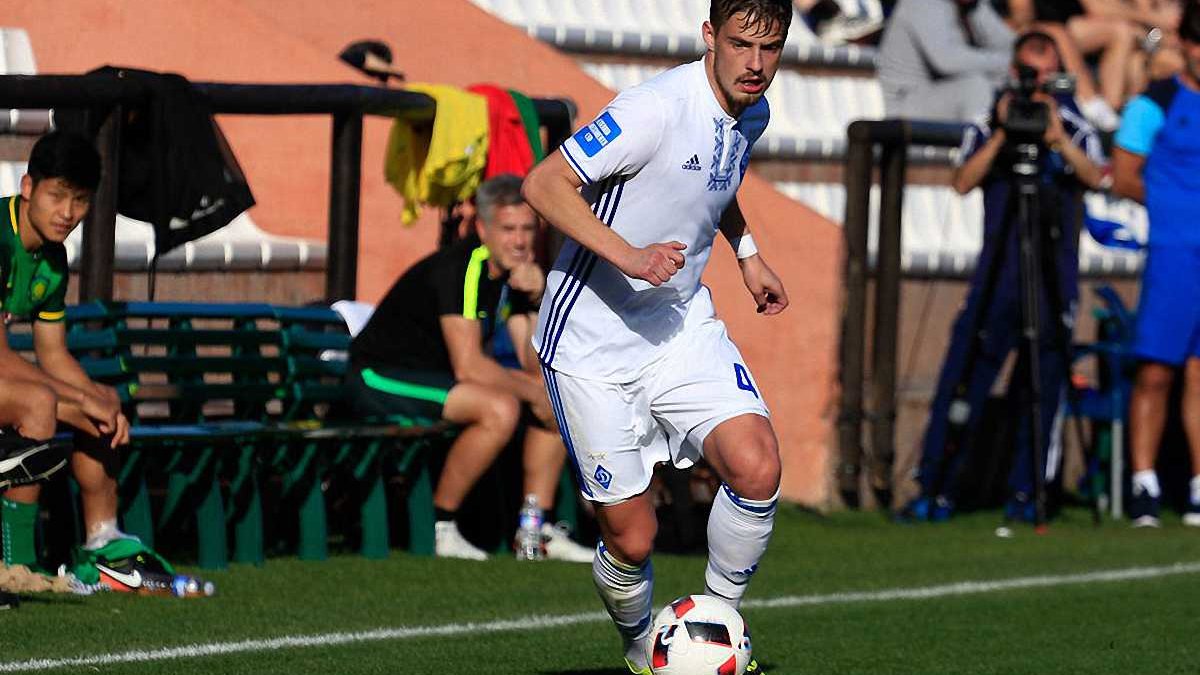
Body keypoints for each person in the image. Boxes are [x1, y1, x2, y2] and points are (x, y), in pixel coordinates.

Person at [521, 0, 792, 671]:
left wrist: (747, 253)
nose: (755, 63)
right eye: (741, 44)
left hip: (677, 325)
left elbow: (713, 182)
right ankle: (644, 648)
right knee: (633, 537)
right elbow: (544, 184)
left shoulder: (752, 110)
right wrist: (629, 255)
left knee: (757, 465)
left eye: (770, 48)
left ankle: (715, 627)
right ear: (709, 36)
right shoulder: (653, 110)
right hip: (590, 341)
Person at [904, 31, 1106, 522]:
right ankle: (936, 486)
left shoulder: (1073, 125)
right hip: (997, 278)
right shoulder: (990, 120)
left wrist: (1056, 138)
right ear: (1014, 73)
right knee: (964, 382)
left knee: (1043, 388)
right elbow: (962, 181)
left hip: (1052, 277)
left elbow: (1094, 176)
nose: (1038, 87)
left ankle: (1027, 493)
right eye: (1030, 75)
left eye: (1047, 76)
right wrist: (1001, 134)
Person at [347, 174, 593, 562]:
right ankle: (441, 528)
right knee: (500, 409)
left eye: (528, 229)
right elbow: (469, 366)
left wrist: (535, 300)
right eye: (508, 229)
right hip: (378, 377)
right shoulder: (464, 267)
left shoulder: (512, 276)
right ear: (482, 228)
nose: (520, 241)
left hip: (438, 378)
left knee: (556, 397)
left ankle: (534, 534)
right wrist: (534, 393)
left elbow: (533, 363)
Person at [0, 131, 140, 578]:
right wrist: (80, 398)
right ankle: (15, 562)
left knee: (102, 410)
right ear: (28, 187)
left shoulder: (52, 259)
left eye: (80, 200)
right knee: (39, 403)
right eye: (57, 195)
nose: (68, 213)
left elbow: (54, 354)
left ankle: (103, 544)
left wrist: (97, 399)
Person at [1112, 1, 1200, 528]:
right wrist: (1175, 207)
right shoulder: (1156, 101)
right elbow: (1124, 173)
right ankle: (1144, 482)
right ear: (1186, 45)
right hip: (1173, 253)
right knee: (1156, 370)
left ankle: (1197, 486)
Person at [879, 0, 1016, 121]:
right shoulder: (922, 3)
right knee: (975, 88)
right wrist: (1009, 63)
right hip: (900, 105)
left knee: (1004, 83)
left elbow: (1012, 48)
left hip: (936, 96)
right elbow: (948, 61)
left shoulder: (968, 6)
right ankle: (978, 141)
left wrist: (978, 8)